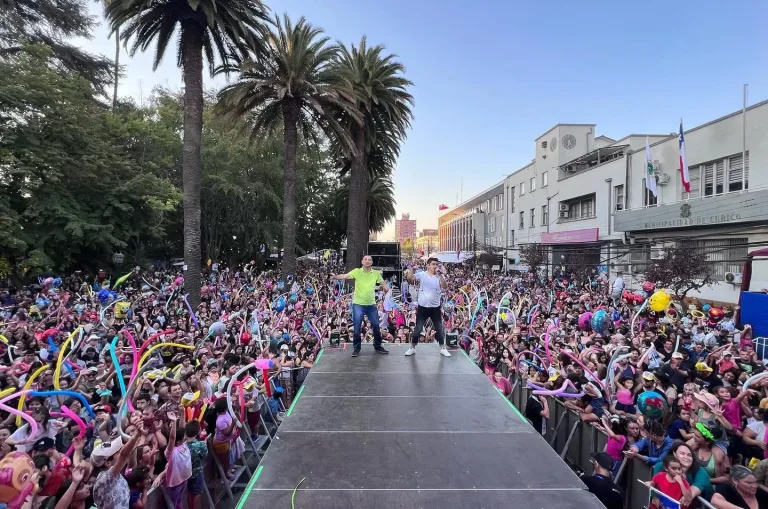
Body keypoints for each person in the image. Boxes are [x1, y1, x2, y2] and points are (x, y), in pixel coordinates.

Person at [332, 255, 391, 357]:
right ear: (362, 261)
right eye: (365, 259)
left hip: (371, 304)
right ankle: (356, 348)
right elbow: (345, 276)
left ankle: (377, 346)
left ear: (372, 262)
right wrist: (334, 276)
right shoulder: (357, 271)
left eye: (369, 260)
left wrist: (388, 292)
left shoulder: (376, 274)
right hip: (358, 304)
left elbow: (384, 285)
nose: (367, 261)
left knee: (376, 326)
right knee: (357, 327)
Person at [403, 258, 450, 357]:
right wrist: (412, 269)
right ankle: (412, 347)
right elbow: (410, 279)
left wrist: (440, 274)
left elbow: (445, 287)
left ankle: (442, 348)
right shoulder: (422, 274)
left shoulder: (439, 276)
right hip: (423, 307)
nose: (435, 266)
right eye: (433, 264)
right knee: (418, 328)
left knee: (439, 327)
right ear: (428, 265)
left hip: (435, 307)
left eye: (436, 264)